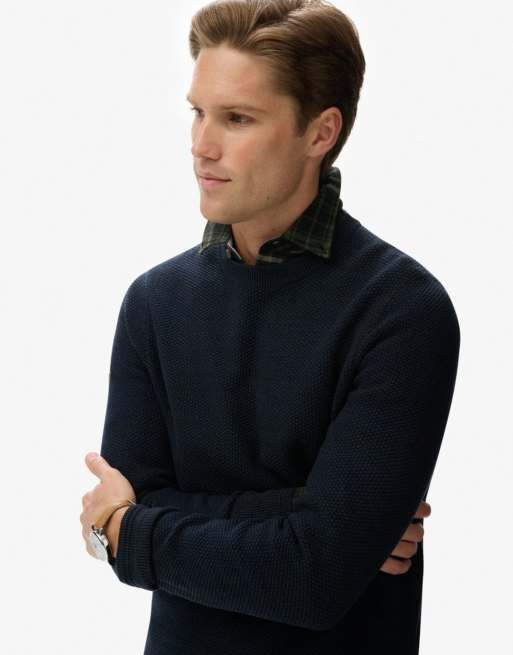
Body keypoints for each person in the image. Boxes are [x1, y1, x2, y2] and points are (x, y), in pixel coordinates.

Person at [86, 1, 460, 653]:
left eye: (237, 118)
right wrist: (311, 518)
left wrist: (138, 529)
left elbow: (313, 580)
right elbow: (123, 517)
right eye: (198, 112)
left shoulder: (402, 309)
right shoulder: (153, 302)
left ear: (319, 133)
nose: (202, 145)